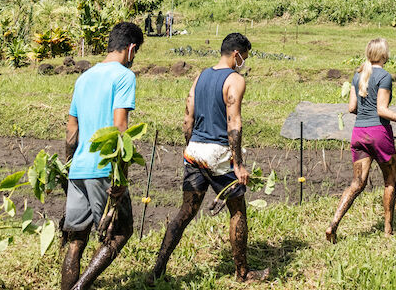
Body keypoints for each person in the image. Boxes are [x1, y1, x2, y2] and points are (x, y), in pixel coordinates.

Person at [150, 32, 268, 282]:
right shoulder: (234, 79)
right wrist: (238, 164)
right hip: (217, 153)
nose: (244, 62)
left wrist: (190, 148)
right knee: (238, 212)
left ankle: (156, 271)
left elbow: (187, 119)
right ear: (236, 54)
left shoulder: (200, 76)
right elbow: (234, 122)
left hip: (194, 151)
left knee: (184, 212)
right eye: (244, 57)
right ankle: (242, 273)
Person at [62, 22, 143, 290]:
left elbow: (71, 128)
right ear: (131, 48)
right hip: (103, 169)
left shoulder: (83, 77)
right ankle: (79, 288)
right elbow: (120, 127)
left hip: (78, 169)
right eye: (136, 52)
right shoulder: (123, 77)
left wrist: (68, 166)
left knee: (76, 240)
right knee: (120, 233)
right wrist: (121, 175)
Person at [325, 38, 396, 242]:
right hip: (379, 134)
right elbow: (382, 110)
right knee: (390, 180)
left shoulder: (357, 75)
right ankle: (388, 230)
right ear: (384, 55)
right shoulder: (384, 76)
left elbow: (352, 107)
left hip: (359, 133)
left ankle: (333, 223)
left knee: (357, 183)